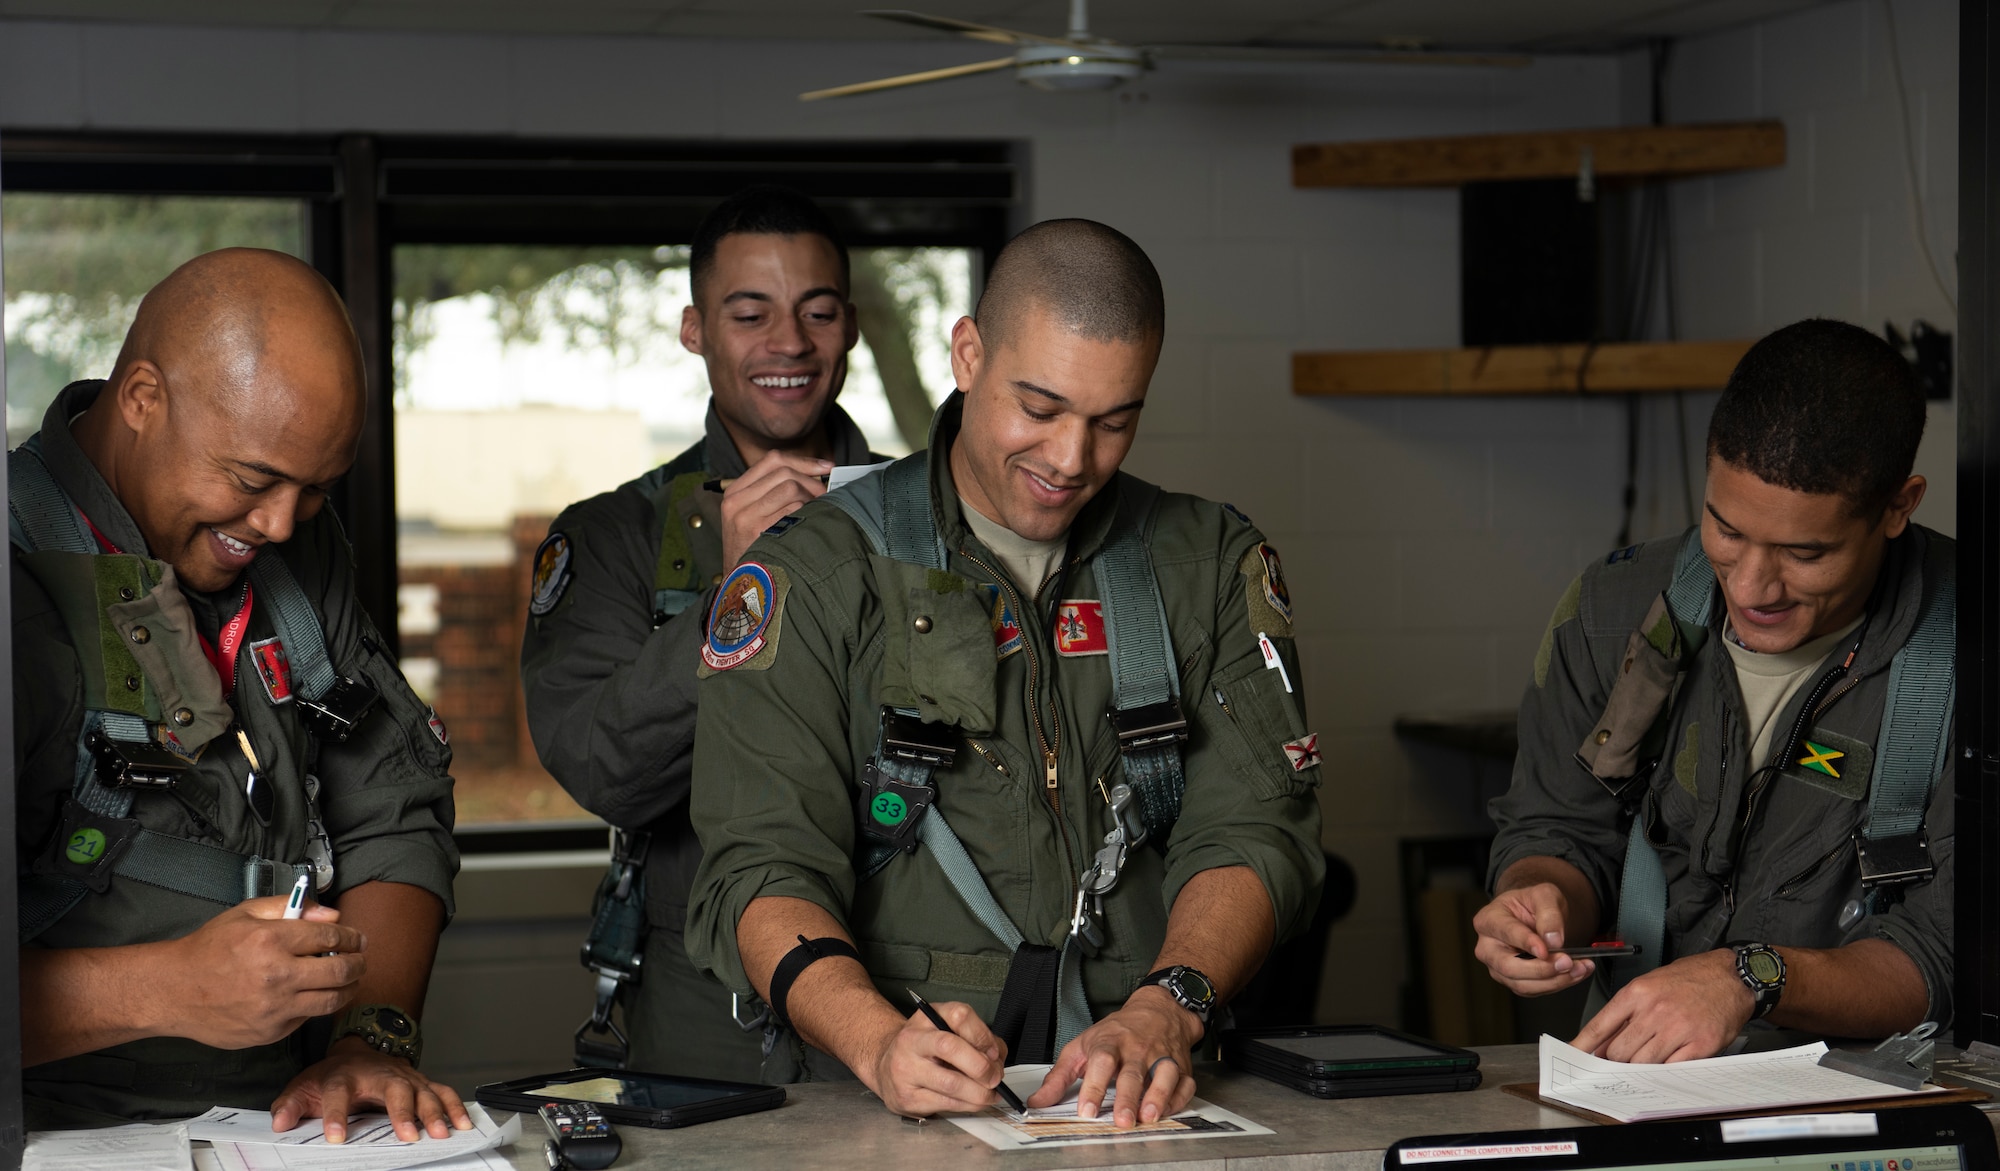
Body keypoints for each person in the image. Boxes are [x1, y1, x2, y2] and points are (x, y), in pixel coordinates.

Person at [686, 219, 1325, 1126]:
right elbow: (760, 863)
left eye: (1114, 420)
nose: (1072, 459)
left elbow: (1258, 830)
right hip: (888, 1090)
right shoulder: (818, 572)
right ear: (968, 352)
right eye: (1040, 407)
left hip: (1143, 1088)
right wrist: (875, 1039)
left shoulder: (1210, 562)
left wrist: (1166, 1006)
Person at [12, 249, 467, 1137]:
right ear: (142, 398)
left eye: (316, 489)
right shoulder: (18, 585)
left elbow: (395, 815)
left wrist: (368, 1040)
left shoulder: (295, 551)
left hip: (288, 1133)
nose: (280, 524)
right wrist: (167, 989)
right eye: (254, 480)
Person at [1475, 318, 1952, 1063]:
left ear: (1899, 506)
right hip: (1639, 1081)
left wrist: (1751, 977)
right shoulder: (1614, 611)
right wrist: (1540, 898)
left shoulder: (1967, 663)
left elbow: (1940, 951)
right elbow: (1560, 825)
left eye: (1805, 552)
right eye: (1725, 530)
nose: (1753, 585)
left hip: (1867, 1097)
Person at [520, 186, 886, 1081]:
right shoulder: (615, 534)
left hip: (911, 982)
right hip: (704, 1002)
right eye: (749, 312)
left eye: (818, 312)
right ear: (695, 330)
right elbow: (607, 772)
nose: (789, 344)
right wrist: (736, 597)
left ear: (852, 326)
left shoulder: (922, 521)